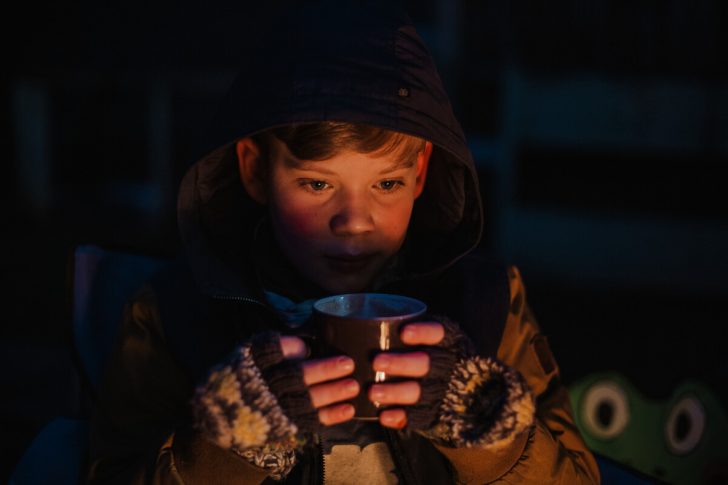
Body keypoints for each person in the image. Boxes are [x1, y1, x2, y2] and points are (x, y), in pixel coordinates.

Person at [87, 2, 600, 483]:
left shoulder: (488, 307)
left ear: (421, 172)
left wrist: (487, 429)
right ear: (254, 169)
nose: (354, 222)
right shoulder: (177, 317)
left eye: (387, 184)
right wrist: (226, 446)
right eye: (317, 184)